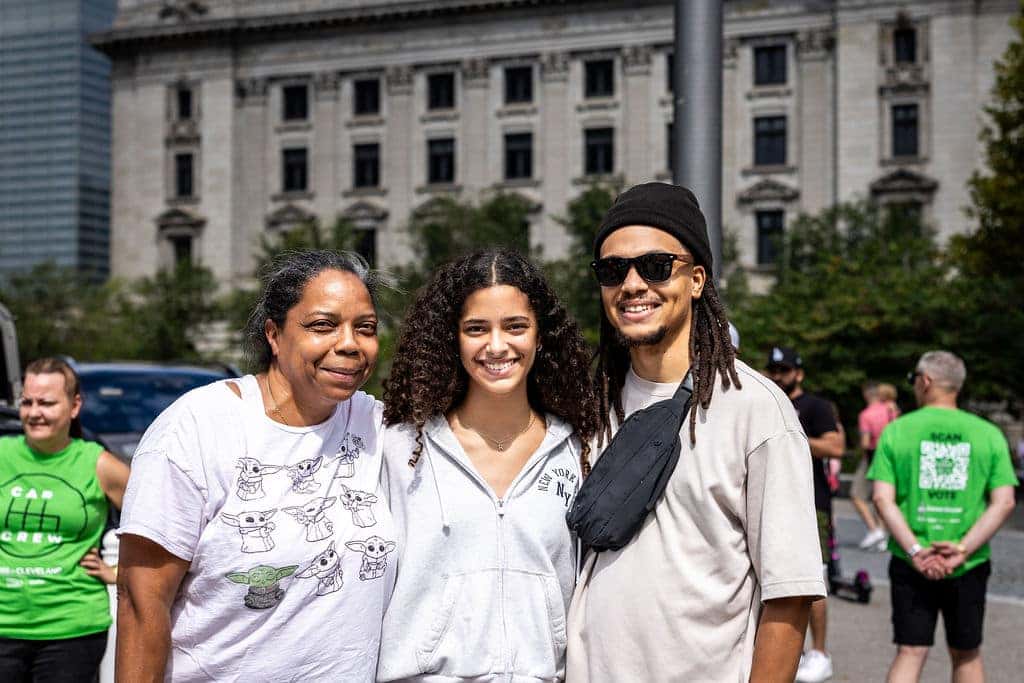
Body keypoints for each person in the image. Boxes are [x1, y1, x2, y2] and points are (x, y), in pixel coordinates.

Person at [566, 182, 825, 682]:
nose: (633, 284)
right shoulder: (586, 405)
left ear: (698, 279)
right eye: (612, 270)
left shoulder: (756, 409)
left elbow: (789, 597)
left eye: (656, 266)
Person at [115, 251, 394, 681]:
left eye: (365, 328)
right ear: (274, 335)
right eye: (323, 325)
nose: (349, 343)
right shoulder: (197, 428)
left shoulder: (375, 424)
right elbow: (140, 600)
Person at [377, 249, 599, 682]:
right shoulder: (400, 448)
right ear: (453, 338)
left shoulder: (579, 449)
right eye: (476, 329)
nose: (497, 346)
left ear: (539, 335)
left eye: (515, 326)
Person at [869, 351, 1017, 683]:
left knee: (910, 651)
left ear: (926, 381)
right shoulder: (988, 433)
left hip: (910, 560)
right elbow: (1004, 502)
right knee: (967, 654)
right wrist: (963, 549)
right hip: (968, 561)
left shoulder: (897, 431)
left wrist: (916, 550)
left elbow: (881, 497)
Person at [0, 357, 128, 682]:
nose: (34, 412)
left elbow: (165, 523)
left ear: (74, 406)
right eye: (27, 402)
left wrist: (119, 573)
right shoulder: (2, 454)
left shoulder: (97, 463)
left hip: (71, 629)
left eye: (46, 403)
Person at [765, 346, 845, 683]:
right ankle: (783, 652)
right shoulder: (765, 399)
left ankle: (820, 652)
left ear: (799, 373)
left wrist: (791, 436)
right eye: (774, 369)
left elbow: (835, 447)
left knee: (813, 581)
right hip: (772, 497)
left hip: (813, 502)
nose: (778, 375)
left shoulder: (816, 406)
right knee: (773, 580)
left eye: (784, 370)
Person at [853, 381, 898, 550]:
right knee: (882, 496)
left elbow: (865, 443)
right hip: (891, 456)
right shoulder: (891, 410)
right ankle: (882, 533)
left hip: (873, 456)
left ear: (866, 395)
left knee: (857, 494)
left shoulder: (866, 415)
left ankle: (874, 530)